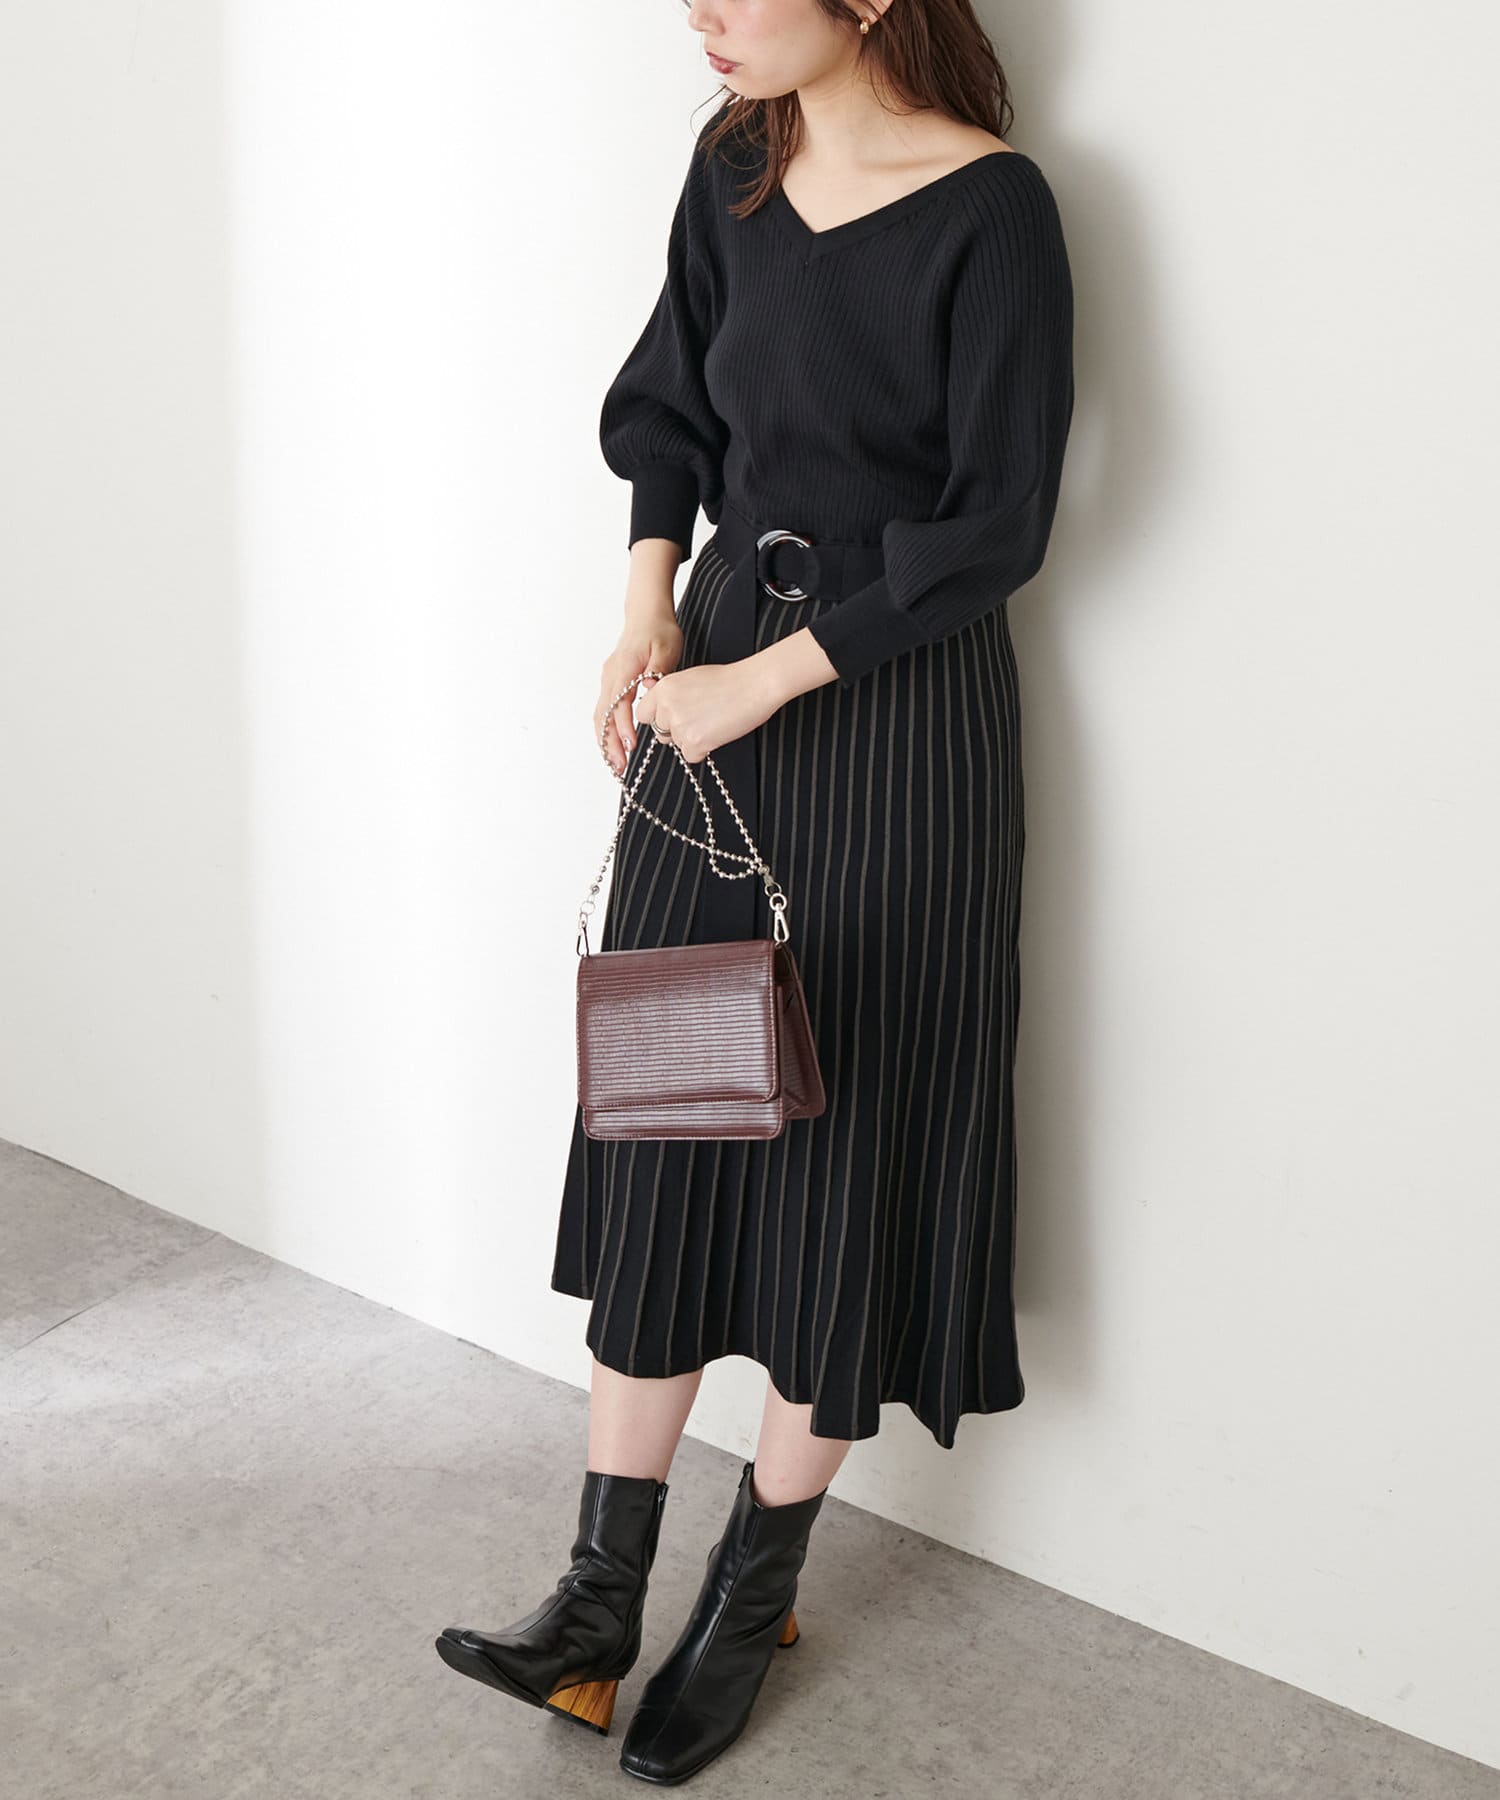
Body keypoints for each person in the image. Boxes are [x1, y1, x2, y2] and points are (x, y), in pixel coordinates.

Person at [436, 0, 1075, 1783]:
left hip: (895, 709)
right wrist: (650, 609)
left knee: (849, 1139)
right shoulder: (735, 162)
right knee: (672, 1115)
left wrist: (764, 680)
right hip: (710, 675)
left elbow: (997, 523)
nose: (701, 15)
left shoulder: (995, 210)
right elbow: (668, 407)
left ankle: (746, 1605)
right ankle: (594, 1604)